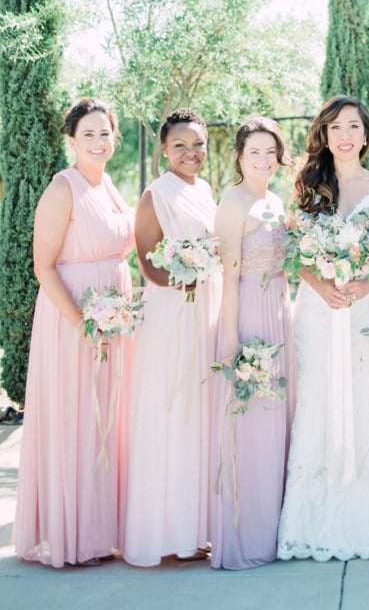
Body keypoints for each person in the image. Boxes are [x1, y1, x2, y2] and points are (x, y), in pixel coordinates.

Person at [277, 95, 369, 561]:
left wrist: (364, 286)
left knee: (361, 398)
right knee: (317, 398)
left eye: (353, 126)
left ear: (366, 135)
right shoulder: (307, 186)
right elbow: (293, 250)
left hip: (363, 307)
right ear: (324, 135)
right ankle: (307, 518)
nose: (345, 135)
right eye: (336, 127)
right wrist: (319, 282)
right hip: (317, 307)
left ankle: (359, 514)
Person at [15, 98, 135, 567]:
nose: (99, 142)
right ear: (71, 141)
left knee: (108, 420)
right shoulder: (62, 188)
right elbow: (43, 265)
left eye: (105, 133)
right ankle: (74, 535)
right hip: (73, 321)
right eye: (89, 134)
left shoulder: (109, 185)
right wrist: (82, 323)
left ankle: (102, 529)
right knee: (77, 417)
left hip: (113, 319)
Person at [123, 109, 221, 566]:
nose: (191, 153)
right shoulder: (154, 194)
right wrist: (182, 276)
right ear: (164, 148)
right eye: (180, 145)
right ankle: (168, 530)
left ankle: (197, 527)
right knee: (172, 408)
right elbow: (146, 261)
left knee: (199, 412)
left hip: (205, 308)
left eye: (197, 144)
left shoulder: (204, 190)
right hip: (171, 312)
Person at [210, 116, 296, 569]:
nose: (263, 159)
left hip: (279, 310)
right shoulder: (234, 201)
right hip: (246, 312)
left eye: (270, 152)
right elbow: (227, 273)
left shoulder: (277, 201)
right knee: (251, 424)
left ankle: (275, 527)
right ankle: (247, 535)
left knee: (277, 421)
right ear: (240, 156)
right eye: (254, 152)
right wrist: (230, 338)